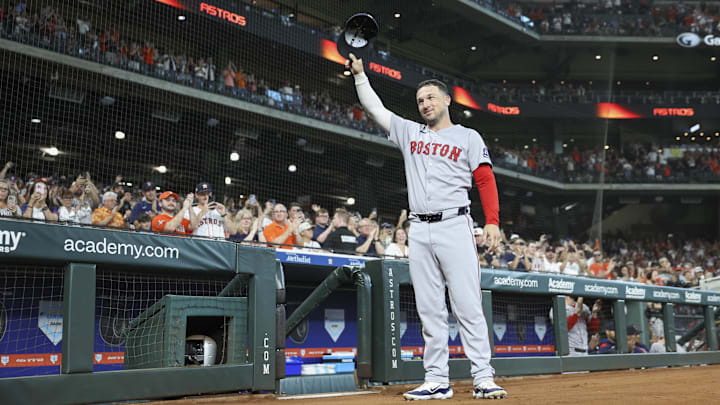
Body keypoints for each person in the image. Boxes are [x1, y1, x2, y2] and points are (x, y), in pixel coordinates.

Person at [348, 53, 505, 399]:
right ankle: (437, 379)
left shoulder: (467, 136)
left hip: (455, 224)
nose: (424, 103)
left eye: (431, 97)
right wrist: (360, 75)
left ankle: (483, 376)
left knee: (467, 304)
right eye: (420, 100)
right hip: (419, 230)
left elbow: (485, 179)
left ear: (447, 100)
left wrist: (492, 221)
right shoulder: (409, 131)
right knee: (430, 309)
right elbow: (376, 109)